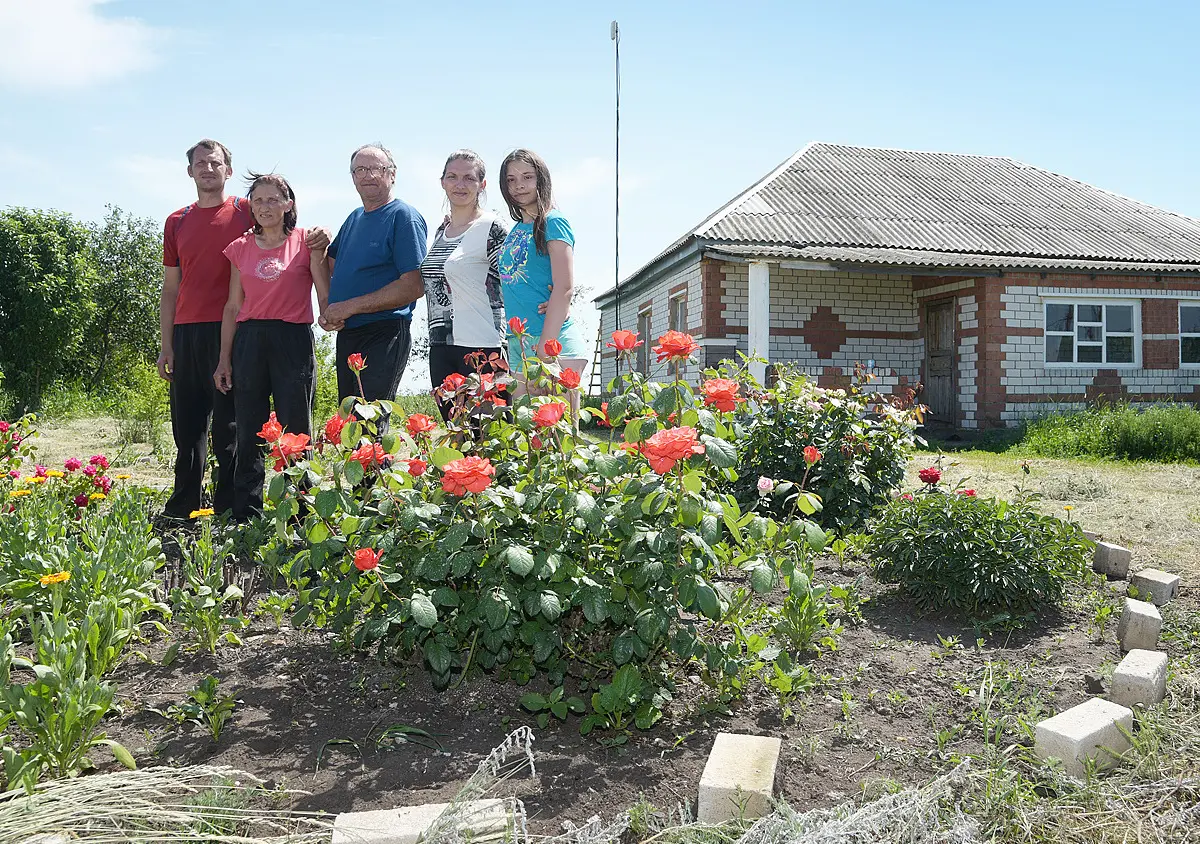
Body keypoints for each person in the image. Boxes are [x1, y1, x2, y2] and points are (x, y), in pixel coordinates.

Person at [158, 139, 328, 520]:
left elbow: (310, 264)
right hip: (204, 331)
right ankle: (201, 507)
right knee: (194, 427)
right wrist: (168, 345)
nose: (207, 168)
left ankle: (260, 510)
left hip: (262, 334)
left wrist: (322, 238)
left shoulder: (251, 213)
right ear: (190, 171)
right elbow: (173, 288)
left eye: (214, 162)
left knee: (241, 429)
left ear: (228, 170)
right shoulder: (181, 222)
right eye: (199, 163)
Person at [213, 173, 329, 520]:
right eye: (258, 200)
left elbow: (324, 293)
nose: (265, 206)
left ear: (288, 205)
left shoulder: (307, 242)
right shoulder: (240, 248)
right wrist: (224, 360)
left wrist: (332, 316)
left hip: (292, 339)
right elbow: (233, 306)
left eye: (273, 199)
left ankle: (301, 514)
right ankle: (246, 515)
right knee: (249, 427)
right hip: (249, 340)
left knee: (296, 426)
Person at [319, 144, 427, 403]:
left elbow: (414, 286)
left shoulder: (403, 216)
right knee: (349, 421)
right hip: (348, 333)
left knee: (370, 418)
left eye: (376, 169)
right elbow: (327, 265)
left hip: (384, 332)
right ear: (353, 177)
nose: (367, 175)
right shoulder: (354, 218)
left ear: (392, 174)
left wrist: (348, 307)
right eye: (360, 170)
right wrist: (328, 310)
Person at [420, 150, 510, 419]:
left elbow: (513, 281)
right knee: (456, 436)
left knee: (486, 435)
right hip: (440, 346)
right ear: (442, 182)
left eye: (469, 178)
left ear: (482, 185)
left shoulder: (492, 227)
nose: (460, 184)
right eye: (453, 177)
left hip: (482, 347)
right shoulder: (441, 232)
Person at [496, 149, 589, 398]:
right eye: (511, 180)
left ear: (541, 179)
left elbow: (564, 286)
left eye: (527, 177)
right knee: (526, 433)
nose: (519, 186)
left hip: (552, 343)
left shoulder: (553, 221)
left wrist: (545, 351)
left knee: (559, 434)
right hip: (519, 342)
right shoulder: (516, 229)